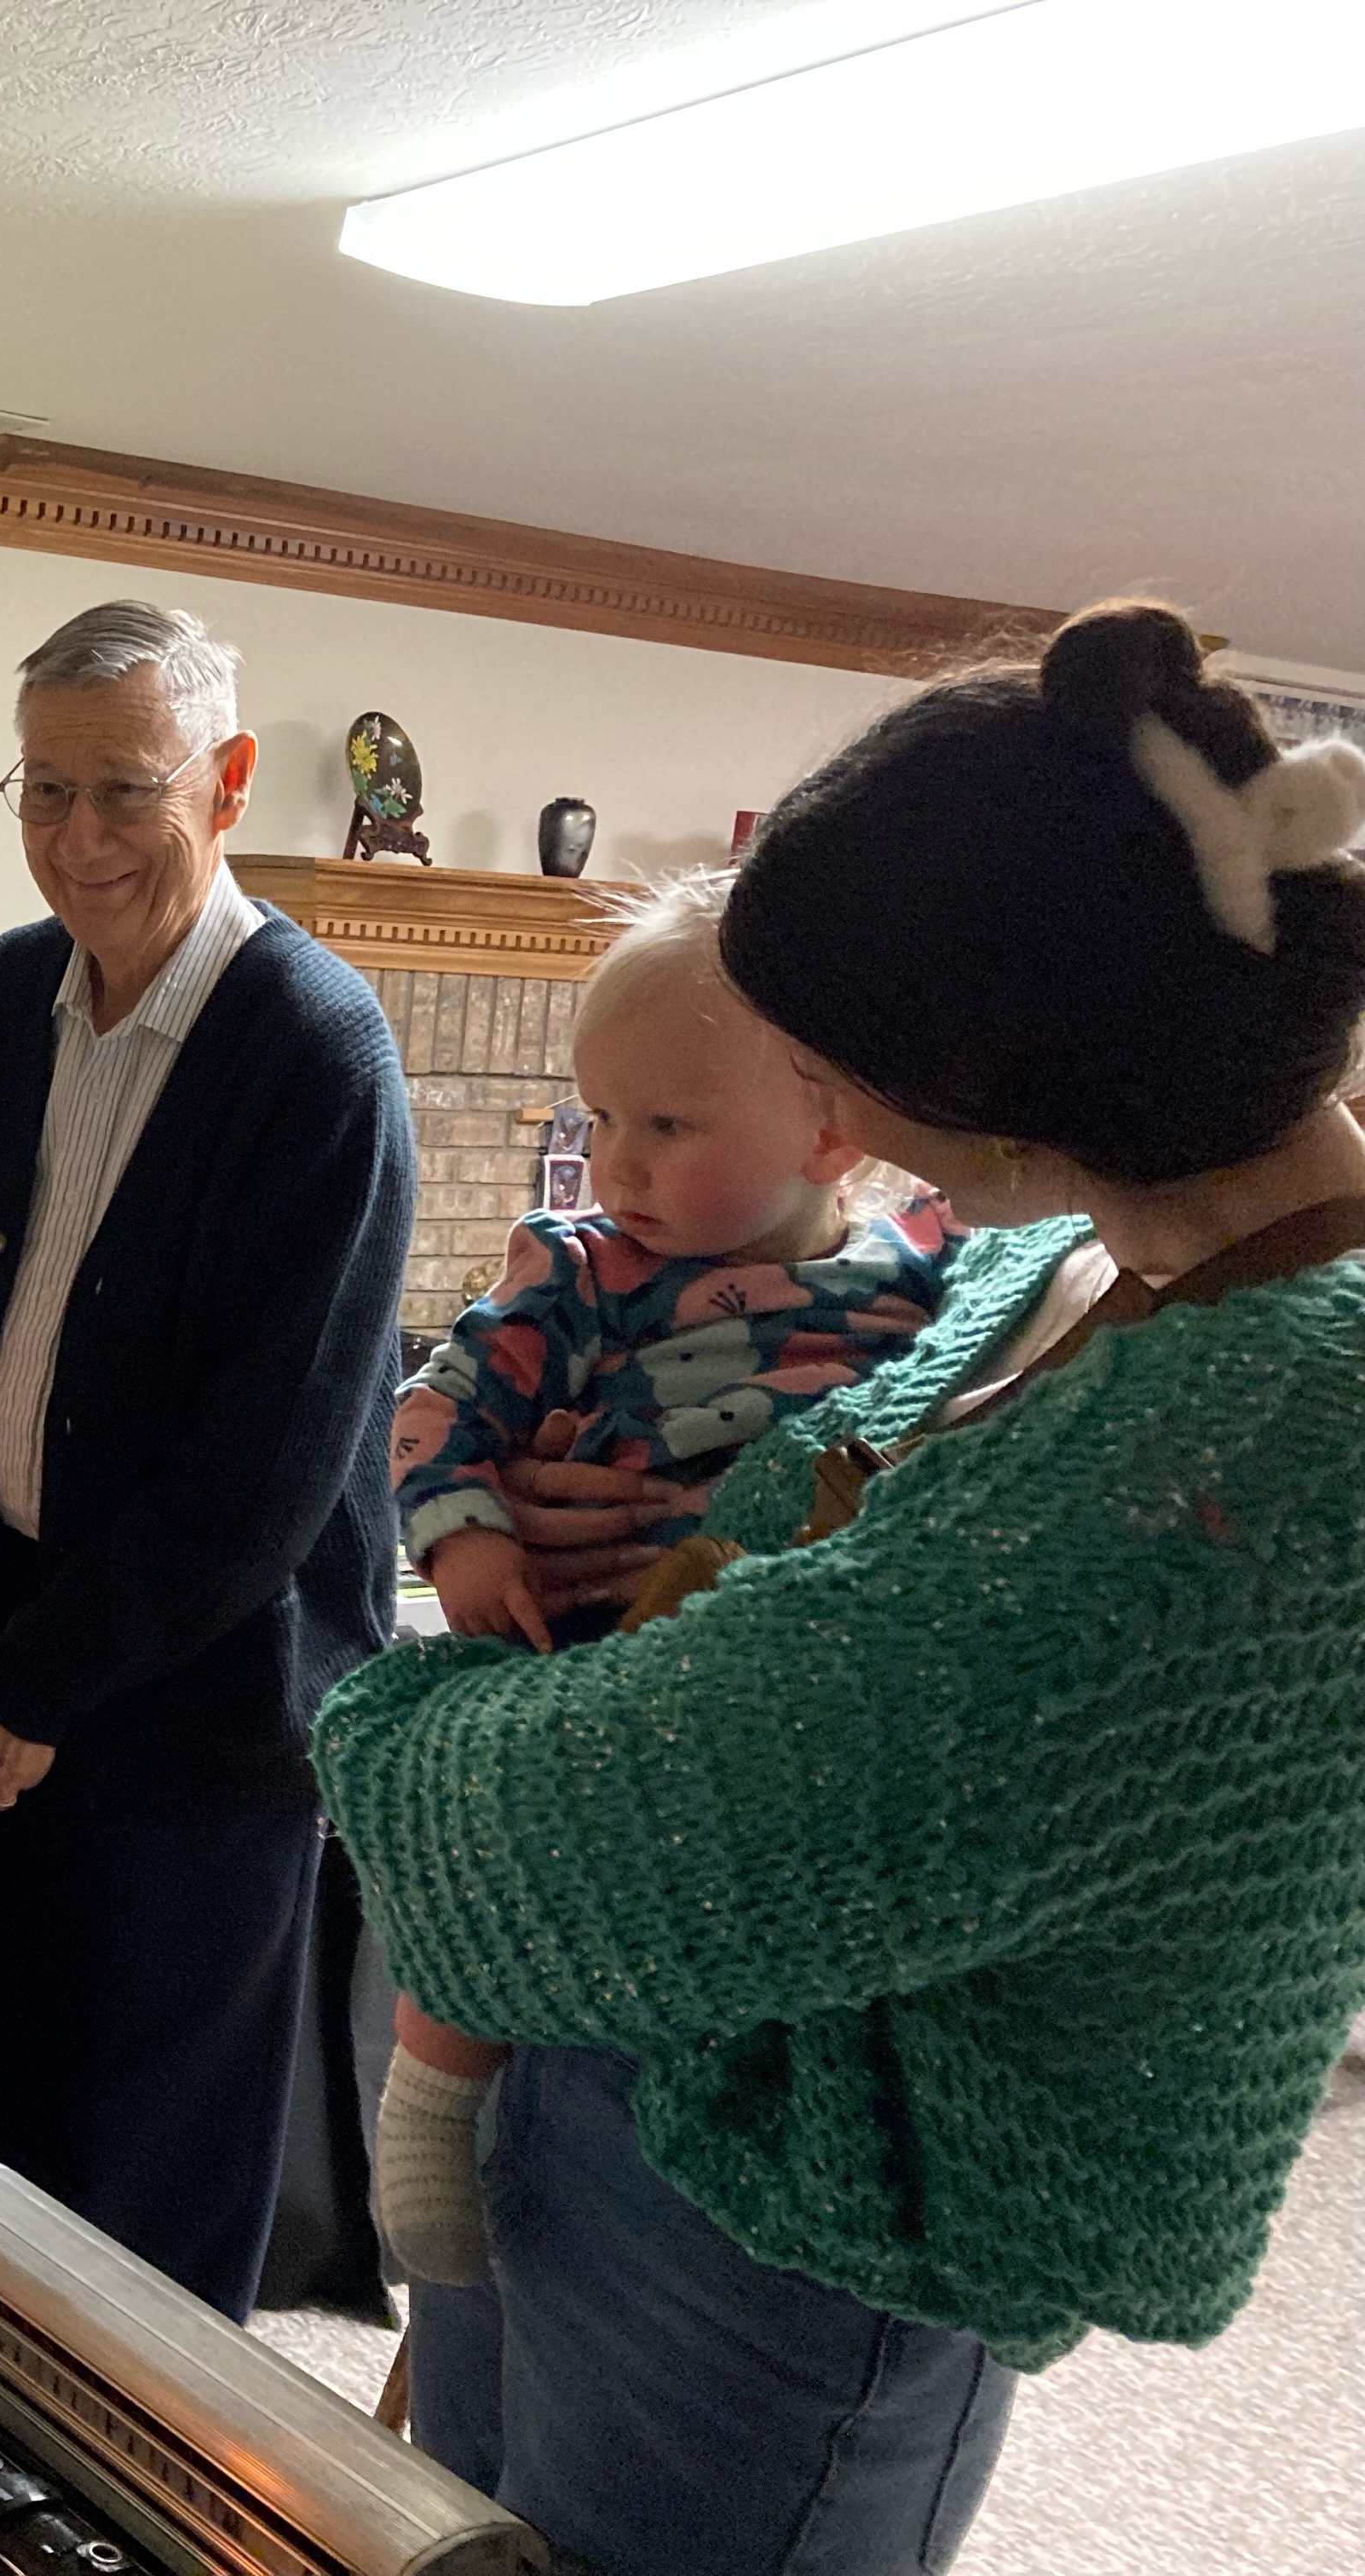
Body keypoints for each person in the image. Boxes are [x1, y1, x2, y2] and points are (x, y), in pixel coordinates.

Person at [313, 600, 1365, 2575]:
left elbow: (598, 1825)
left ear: (1003, 1067)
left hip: (785, 2232)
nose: (834, 1125)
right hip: (611, 2079)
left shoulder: (1264, 1433)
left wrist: (412, 1709)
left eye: (830, 1067)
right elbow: (764, 1581)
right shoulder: (1051, 1256)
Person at [0, 598, 414, 2314]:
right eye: (46, 790)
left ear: (227, 782)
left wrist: (36, 1684)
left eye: (126, 791)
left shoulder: (314, 1047)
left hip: (204, 1710)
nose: (78, 839)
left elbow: (264, 1473)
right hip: (20, 1649)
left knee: (152, 2202)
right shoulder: (6, 998)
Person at [372, 877, 952, 2286]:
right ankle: (430, 2093)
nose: (617, 1165)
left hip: (770, 1688)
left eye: (669, 1127)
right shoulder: (581, 1275)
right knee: (503, 1848)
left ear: (835, 1133)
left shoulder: (919, 1289)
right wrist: (469, 1539)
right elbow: (436, 1409)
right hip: (581, 1644)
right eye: (600, 1120)